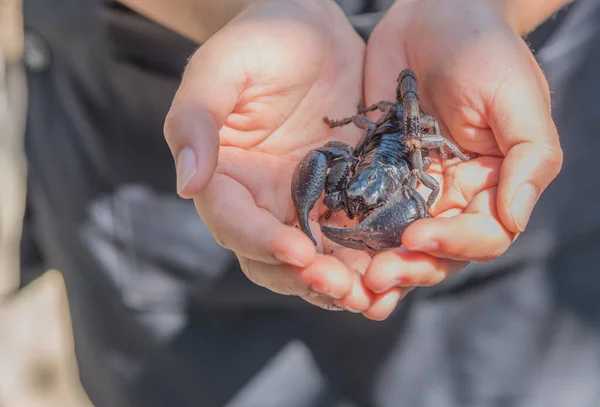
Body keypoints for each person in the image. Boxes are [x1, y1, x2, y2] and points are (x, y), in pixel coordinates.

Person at [21, 0, 600, 406]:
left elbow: (421, 185)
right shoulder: (348, 166)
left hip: (490, 113)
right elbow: (341, 144)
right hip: (148, 117)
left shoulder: (412, 169)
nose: (344, 211)